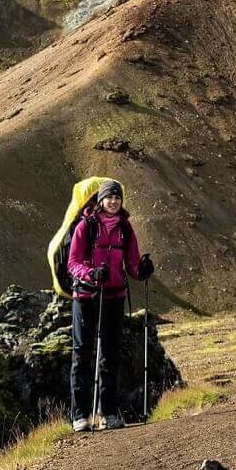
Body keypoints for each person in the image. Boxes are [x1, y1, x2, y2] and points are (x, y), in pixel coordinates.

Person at [66, 180, 154, 433]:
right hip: (86, 298)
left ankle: (109, 413)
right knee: (82, 354)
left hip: (115, 297)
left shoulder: (125, 229)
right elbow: (73, 263)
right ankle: (80, 415)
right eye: (109, 197)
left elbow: (133, 265)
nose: (114, 202)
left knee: (110, 357)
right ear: (101, 200)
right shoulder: (86, 226)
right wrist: (91, 274)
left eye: (117, 197)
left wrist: (143, 270)